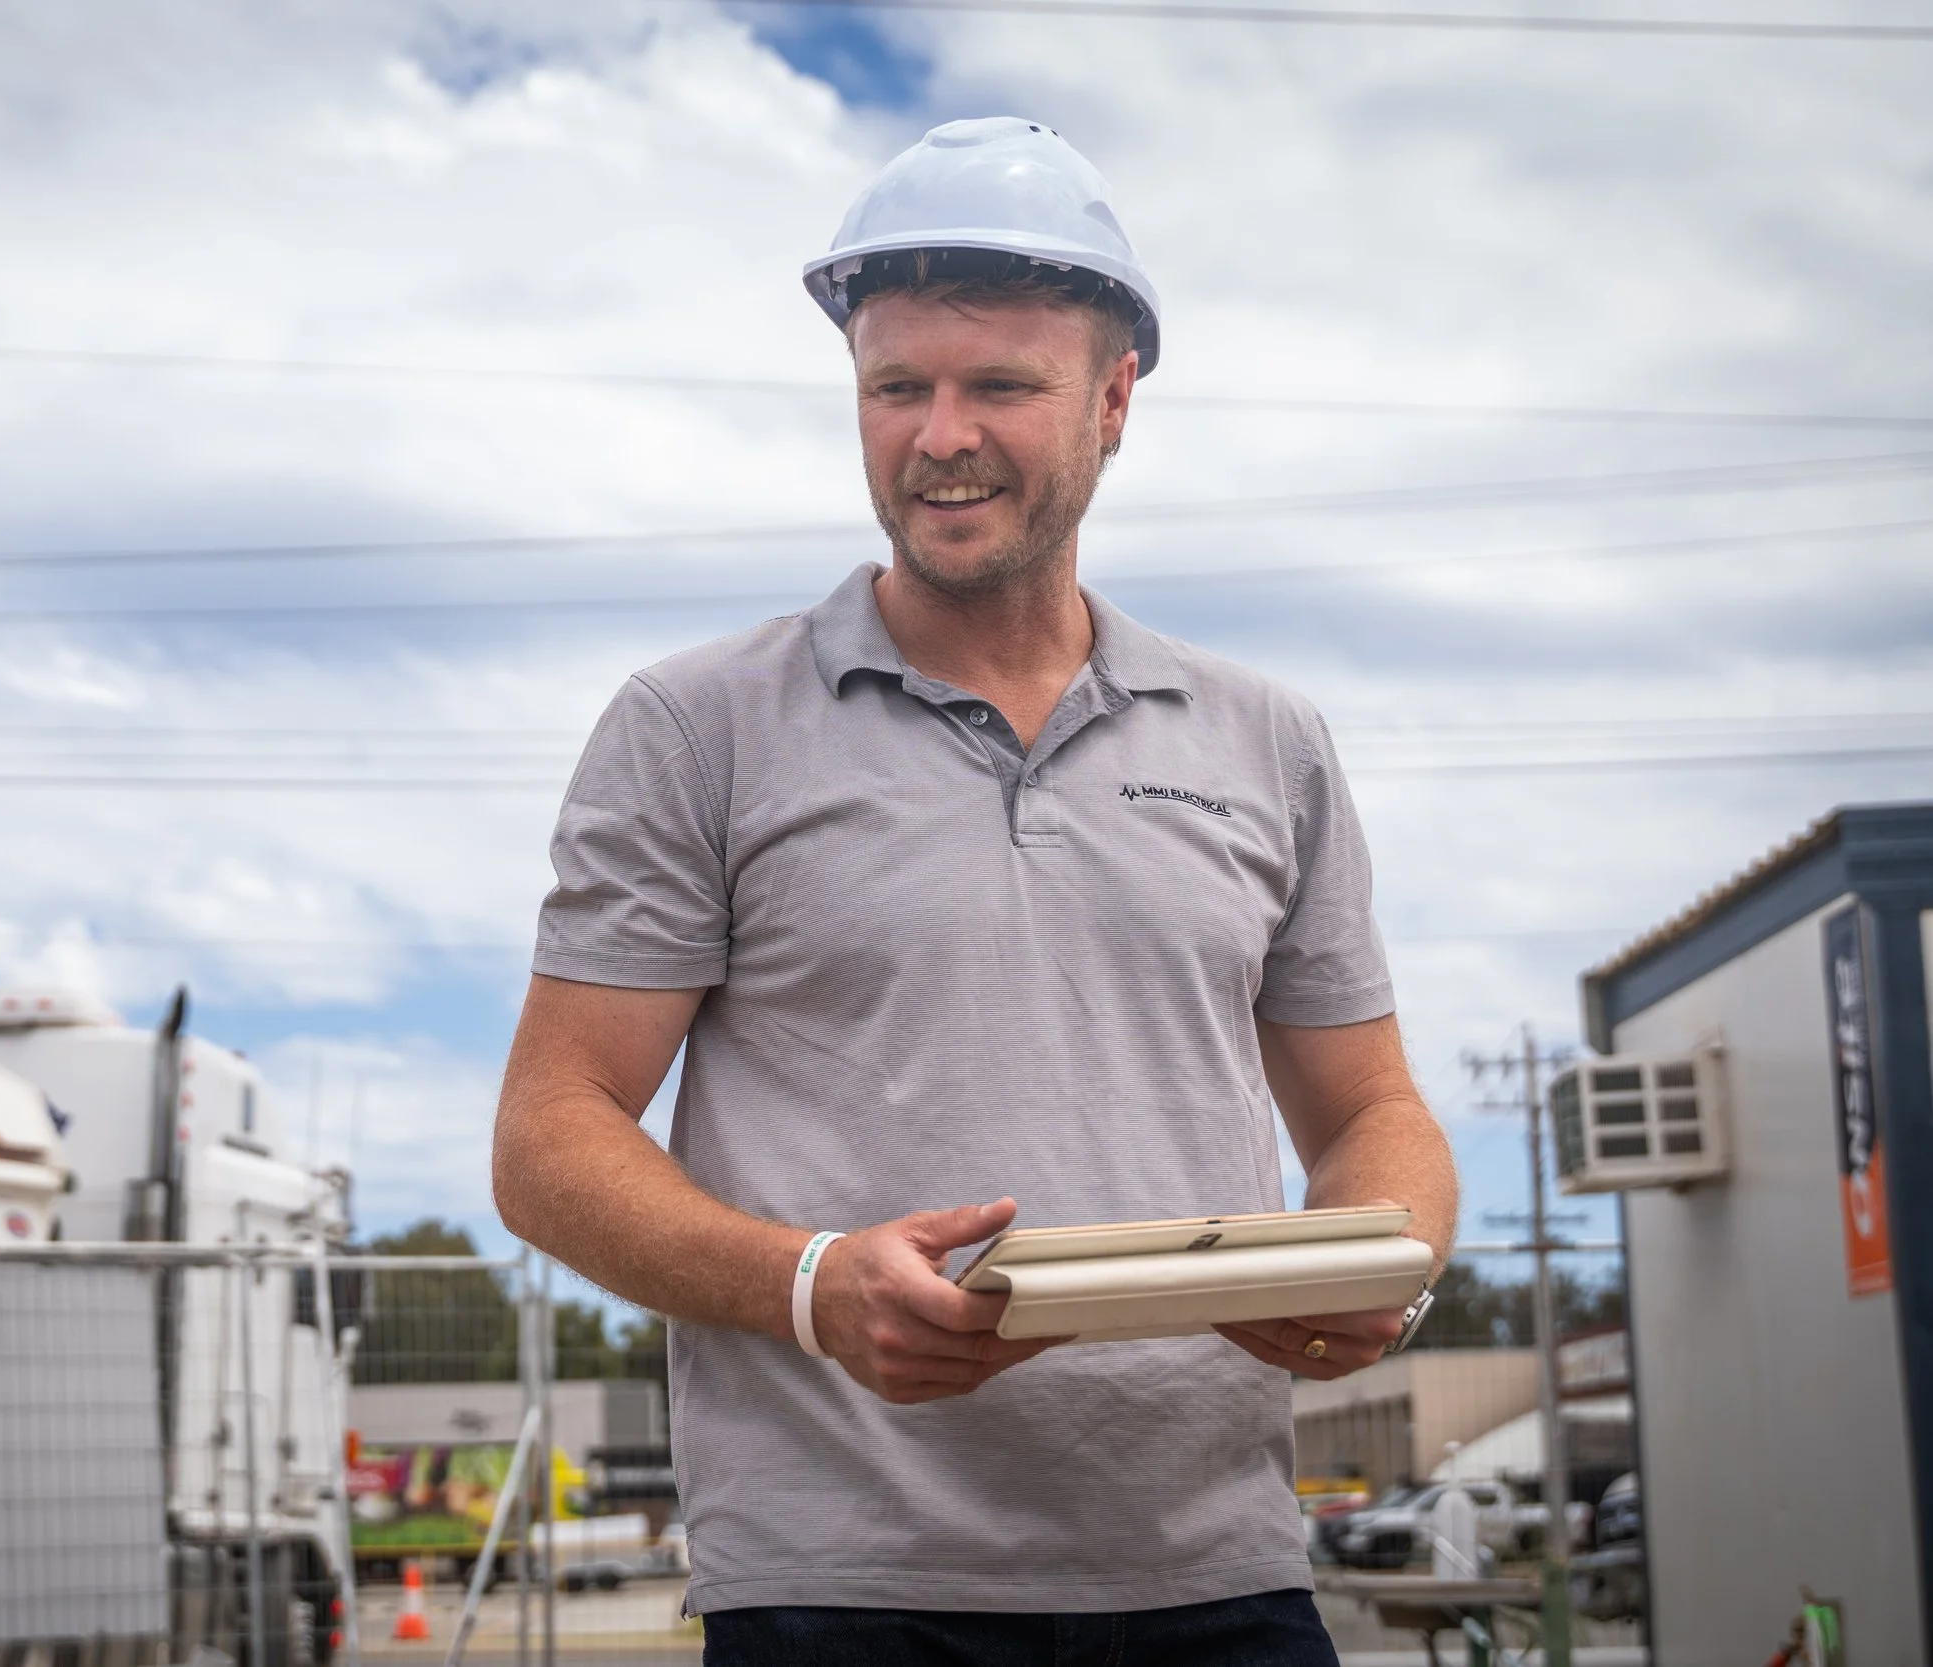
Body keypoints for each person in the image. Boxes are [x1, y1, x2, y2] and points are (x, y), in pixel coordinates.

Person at [492, 117, 1458, 1665]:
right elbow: (550, 1134)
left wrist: (1373, 1267)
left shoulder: (1266, 740)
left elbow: (1375, 1111)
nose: (939, 434)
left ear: (1115, 398)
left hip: (1214, 1579)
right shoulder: (696, 725)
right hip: (838, 1586)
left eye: (1000, 385)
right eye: (896, 388)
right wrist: (808, 1285)